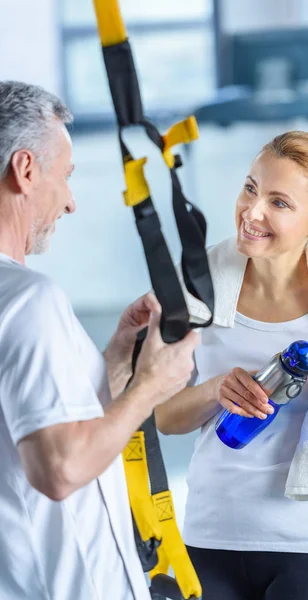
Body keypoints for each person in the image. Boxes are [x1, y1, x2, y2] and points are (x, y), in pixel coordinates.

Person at [155, 131, 308, 600]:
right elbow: (162, 417)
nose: (253, 212)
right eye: (251, 188)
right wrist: (213, 391)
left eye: (280, 203)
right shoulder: (199, 289)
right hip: (210, 542)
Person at [0, 81, 199, 600]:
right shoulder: (29, 300)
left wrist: (111, 362)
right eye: (65, 177)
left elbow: (30, 426)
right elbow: (60, 468)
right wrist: (150, 387)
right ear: (25, 170)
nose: (70, 203)